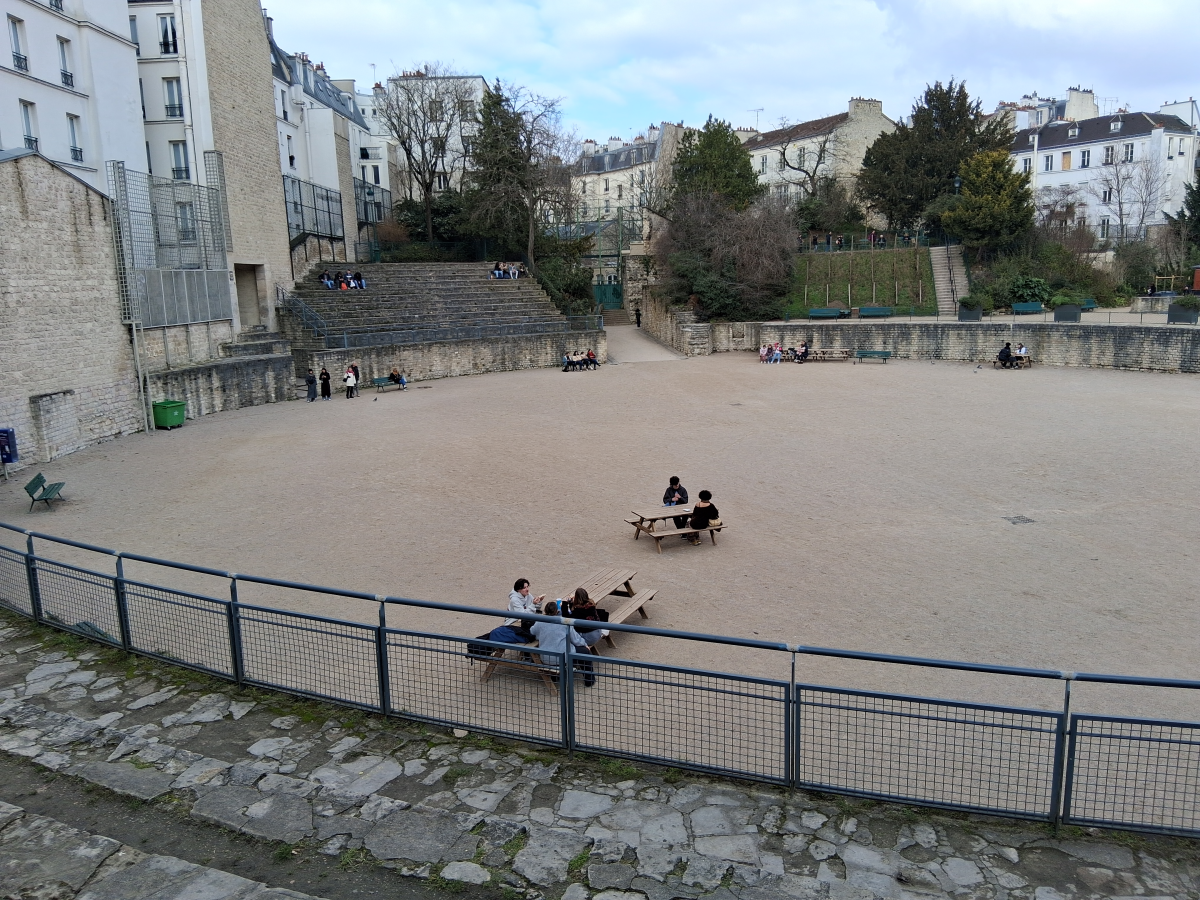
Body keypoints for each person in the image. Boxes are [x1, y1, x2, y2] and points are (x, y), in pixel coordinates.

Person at [531, 600, 594, 686]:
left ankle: (555, 676)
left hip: (546, 658)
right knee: (585, 652)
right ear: (557, 611)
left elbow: (532, 631)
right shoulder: (564, 622)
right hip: (563, 657)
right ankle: (589, 680)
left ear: (545, 611)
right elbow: (575, 639)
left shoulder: (540, 621)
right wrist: (585, 645)